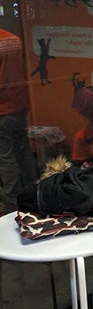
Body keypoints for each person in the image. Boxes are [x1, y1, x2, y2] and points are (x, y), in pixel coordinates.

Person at [0, 28, 38, 214]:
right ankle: (35, 193)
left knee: (6, 157)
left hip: (2, 109)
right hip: (19, 105)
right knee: (23, 153)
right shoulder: (13, 38)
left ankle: (11, 205)